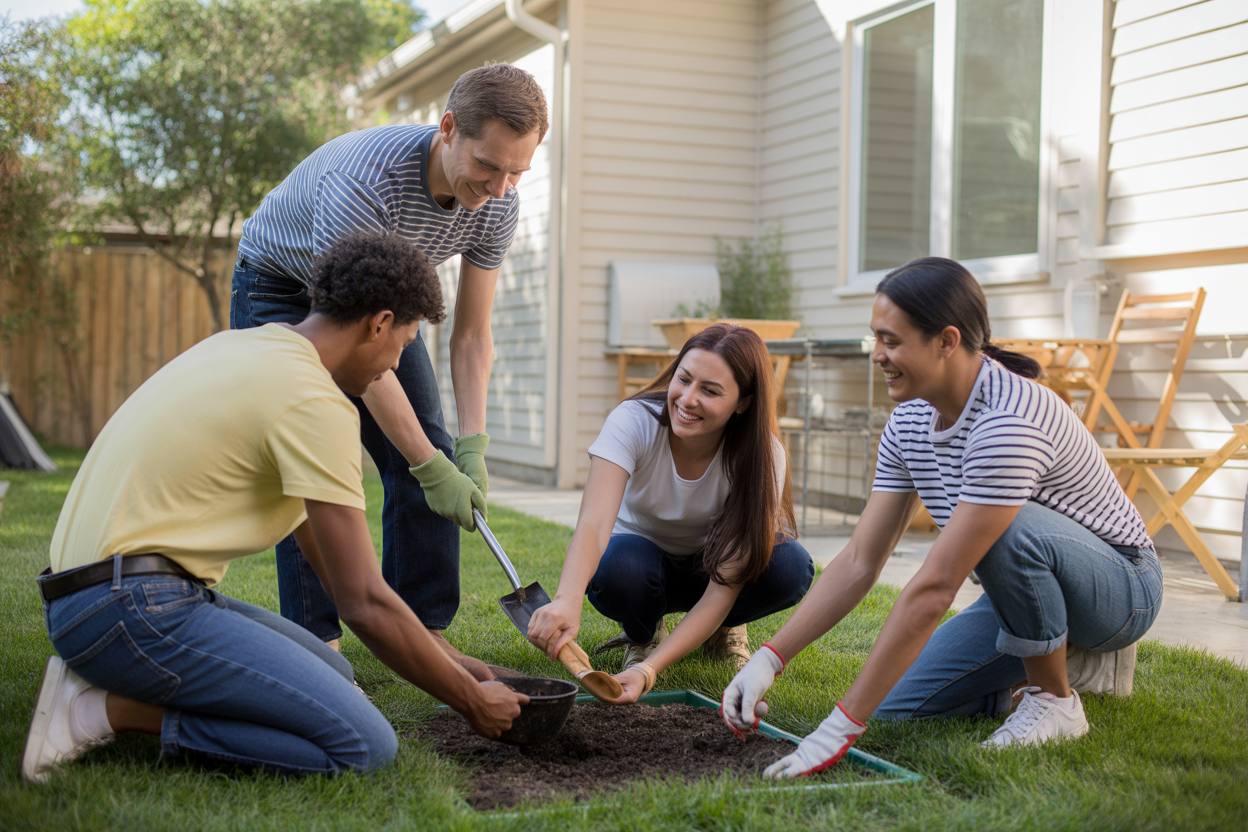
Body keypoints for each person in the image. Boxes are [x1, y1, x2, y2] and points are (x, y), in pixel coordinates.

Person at [21, 233, 527, 784]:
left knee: (333, 668)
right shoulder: (315, 402)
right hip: (129, 610)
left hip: (90, 597)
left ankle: (109, 682)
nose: (397, 361)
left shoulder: (245, 345)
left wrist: (457, 665)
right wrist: (468, 700)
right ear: (378, 323)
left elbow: (339, 581)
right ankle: (100, 711)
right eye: (404, 342)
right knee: (364, 744)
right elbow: (362, 604)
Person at [721, 257, 1163, 777]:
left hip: (1121, 588)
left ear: (947, 341)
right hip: (1024, 593)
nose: (877, 355)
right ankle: (1046, 671)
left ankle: (1054, 700)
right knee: (899, 707)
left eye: (891, 340)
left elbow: (935, 588)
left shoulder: (1007, 423)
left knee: (1011, 531)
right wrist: (769, 658)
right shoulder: (909, 420)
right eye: (875, 339)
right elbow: (861, 559)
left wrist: (837, 730)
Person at [230, 64, 547, 678]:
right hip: (282, 285)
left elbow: (473, 334)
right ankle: (317, 644)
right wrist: (429, 463)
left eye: (518, 171)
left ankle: (423, 634)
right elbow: (353, 342)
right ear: (449, 128)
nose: (502, 187)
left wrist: (468, 448)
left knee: (435, 449)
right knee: (311, 454)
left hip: (386, 298)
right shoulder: (367, 182)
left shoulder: (497, 205)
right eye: (488, 165)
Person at [526, 323, 815, 703]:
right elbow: (594, 525)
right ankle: (643, 632)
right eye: (685, 379)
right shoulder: (633, 421)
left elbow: (721, 590)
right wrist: (566, 599)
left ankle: (724, 630)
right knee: (619, 566)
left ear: (742, 402)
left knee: (790, 565)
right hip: (640, 564)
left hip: (710, 570)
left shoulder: (763, 457)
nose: (687, 399)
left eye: (710, 391)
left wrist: (650, 671)